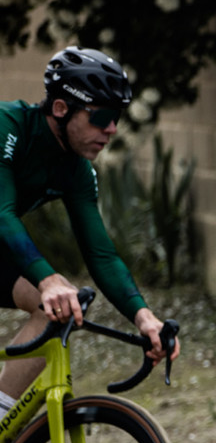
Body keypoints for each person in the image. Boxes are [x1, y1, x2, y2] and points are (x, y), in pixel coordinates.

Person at [0, 46, 178, 416]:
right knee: (52, 291)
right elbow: (2, 214)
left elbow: (101, 254)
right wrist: (47, 278)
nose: (111, 129)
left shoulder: (75, 169)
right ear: (60, 108)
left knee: (57, 310)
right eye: (102, 116)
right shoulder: (8, 127)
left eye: (116, 117)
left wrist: (143, 316)